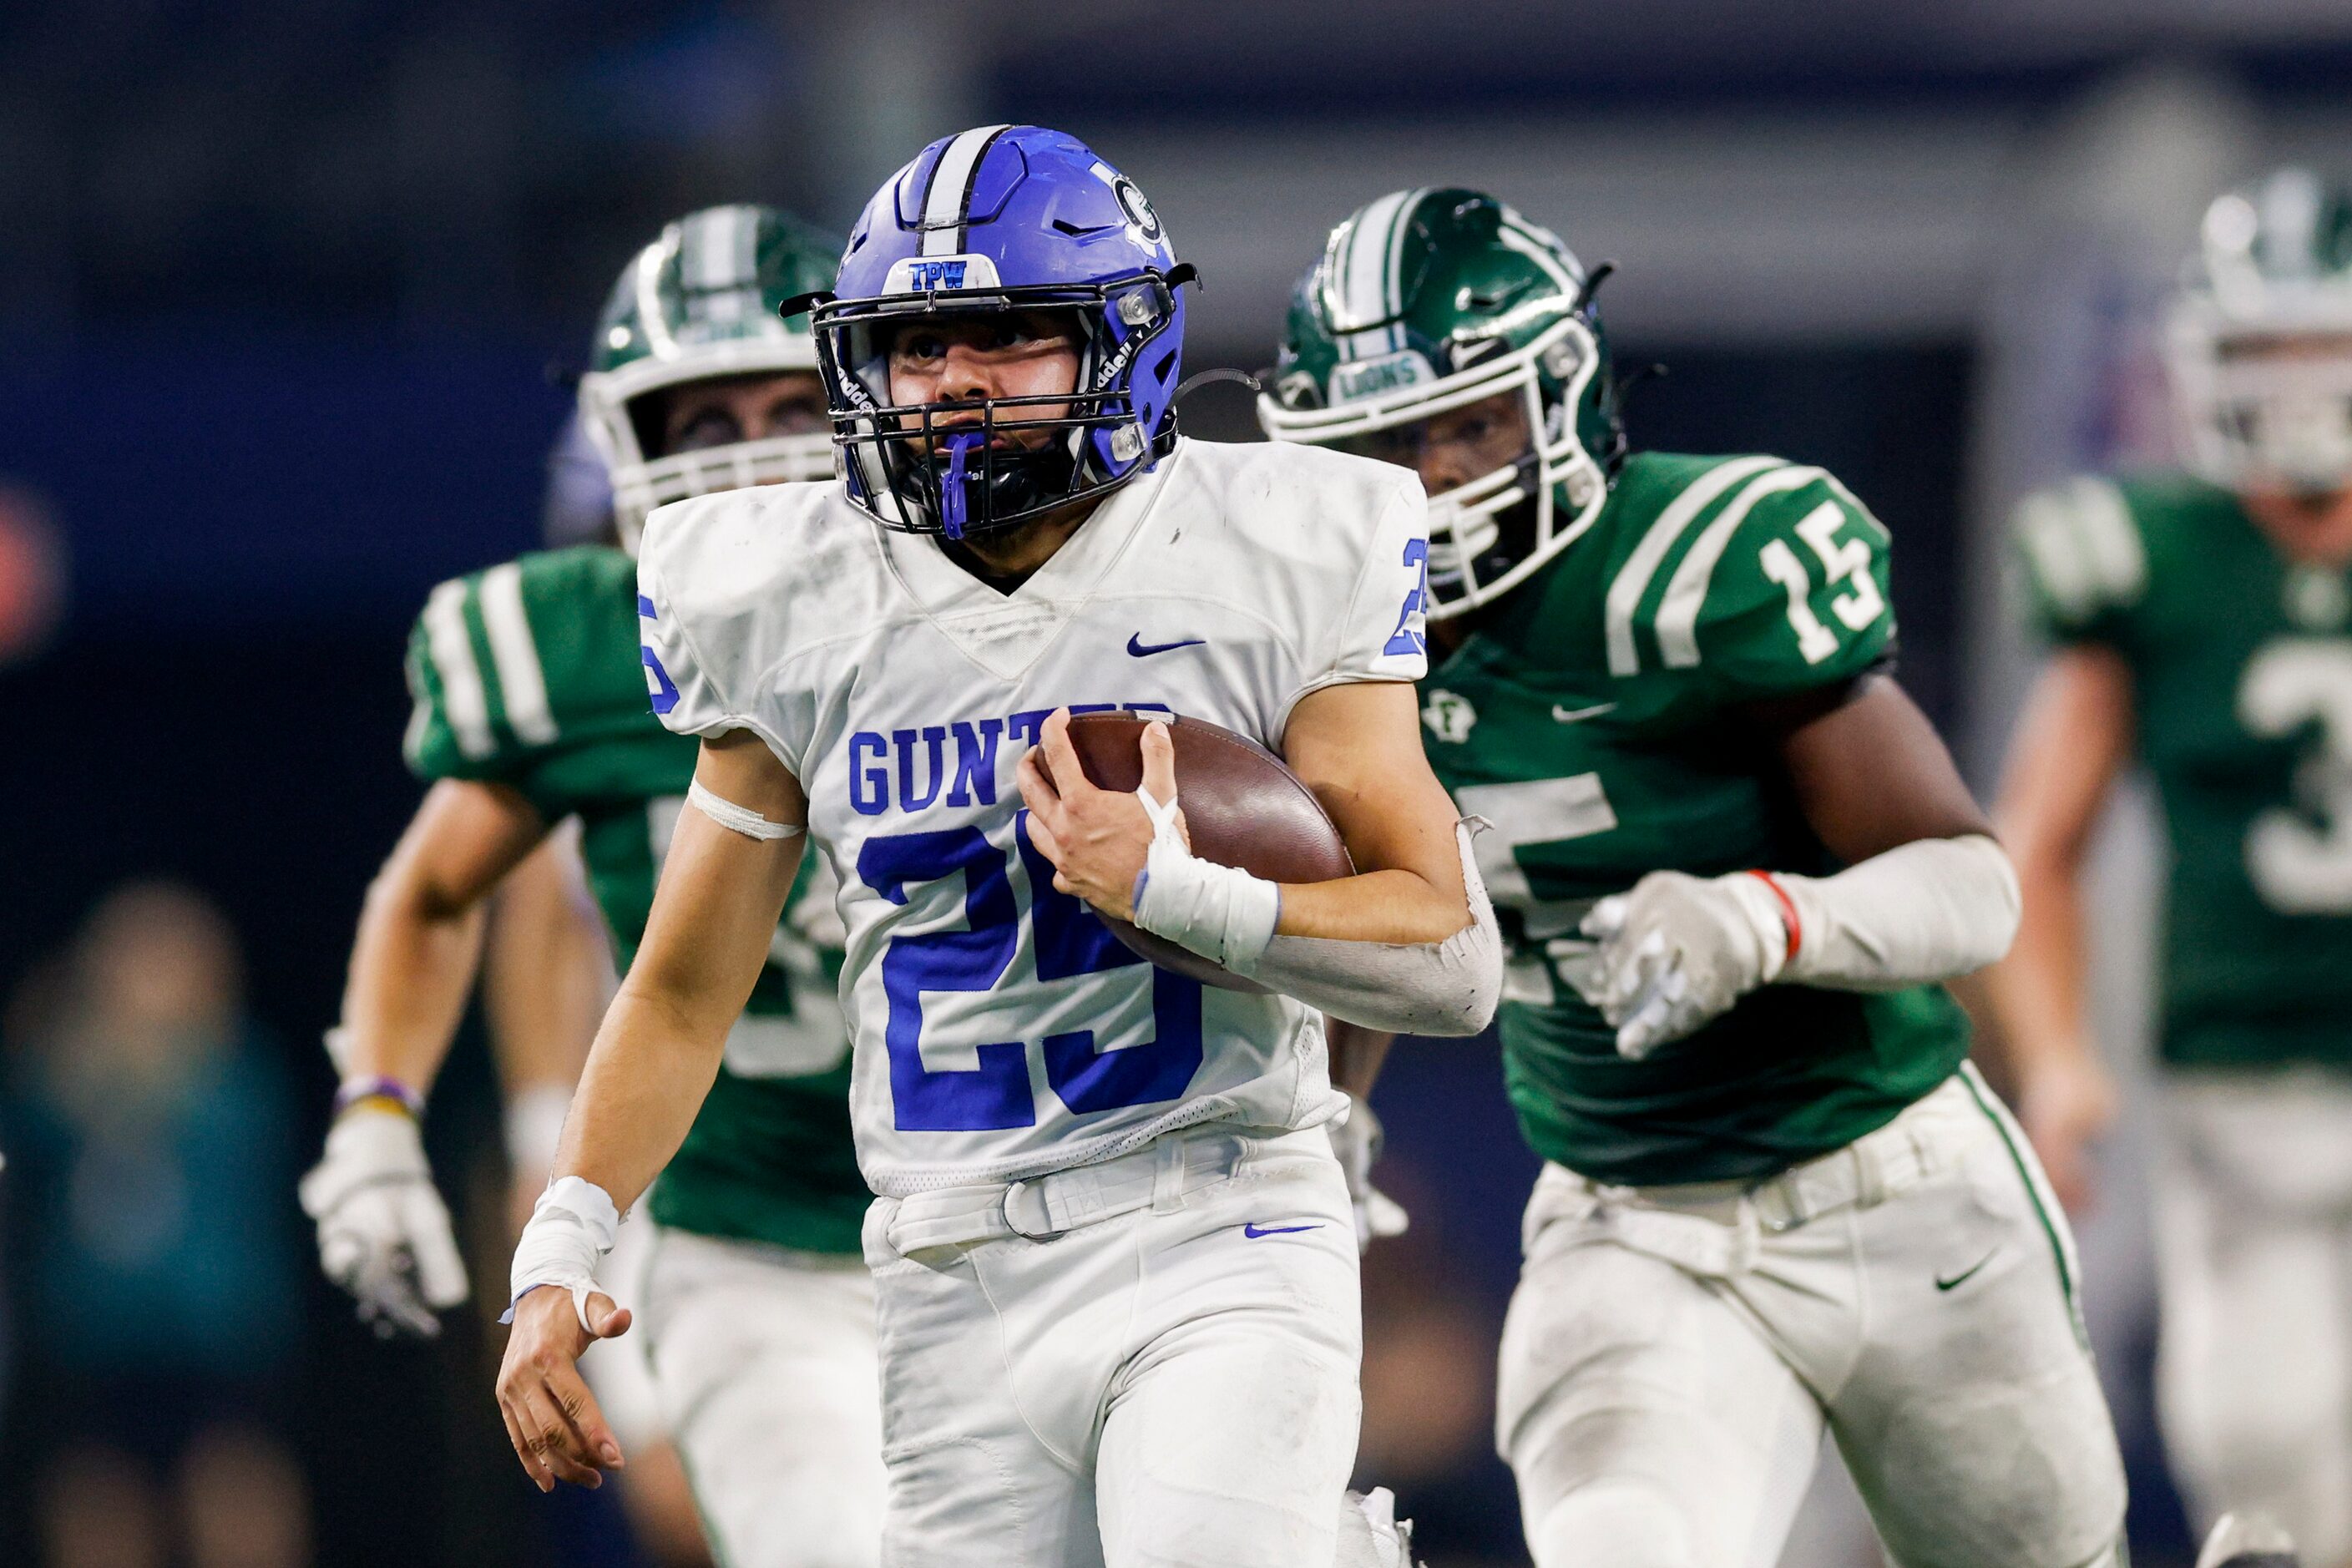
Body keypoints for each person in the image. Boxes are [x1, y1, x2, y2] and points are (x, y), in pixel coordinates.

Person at [493, 124, 1499, 1568]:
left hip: (1216, 1218)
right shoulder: (791, 593)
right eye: (914, 344)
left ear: (1125, 342)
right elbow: (677, 990)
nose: (954, 380)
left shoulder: (1271, 546)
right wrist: (561, 1249)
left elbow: (1451, 953)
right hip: (944, 1269)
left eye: (1006, 334)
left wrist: (1181, 892)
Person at [1258, 187, 2127, 1568]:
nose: (1424, 479)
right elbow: (1376, 898)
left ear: (1562, 398)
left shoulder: (1700, 562)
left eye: (1465, 425)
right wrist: (1319, 1120)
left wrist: (1765, 913)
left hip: (1892, 1185)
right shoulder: (1315, 634)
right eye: (1379, 440)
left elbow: (1972, 885)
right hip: (1630, 1212)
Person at [296, 205, 888, 1568]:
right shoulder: (579, 648)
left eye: (789, 404)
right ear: (626, 451)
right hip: (746, 1235)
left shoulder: (983, 598)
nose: (753, 457)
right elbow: (442, 892)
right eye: (704, 424)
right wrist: (379, 1112)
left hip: (1005, 1206)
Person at [1990, 167, 2352, 1564]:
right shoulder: (2146, 554)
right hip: (2236, 1081)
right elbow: (2040, 833)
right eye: (2264, 351)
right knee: (2258, 1475)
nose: (2296, 389)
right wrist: (2057, 1058)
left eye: (2320, 345)